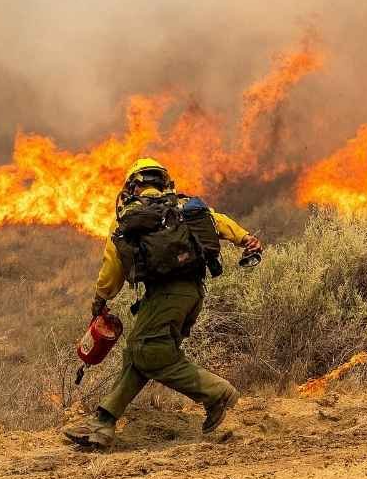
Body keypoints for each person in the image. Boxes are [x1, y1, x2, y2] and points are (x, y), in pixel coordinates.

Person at [62, 158, 261, 448]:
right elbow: (218, 222)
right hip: (193, 294)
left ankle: (217, 393)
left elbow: (112, 269)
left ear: (133, 186)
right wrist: (246, 239)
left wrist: (100, 300)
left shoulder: (130, 218)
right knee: (137, 353)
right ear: (163, 182)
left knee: (149, 352)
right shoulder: (184, 207)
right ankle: (103, 423)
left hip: (164, 296)